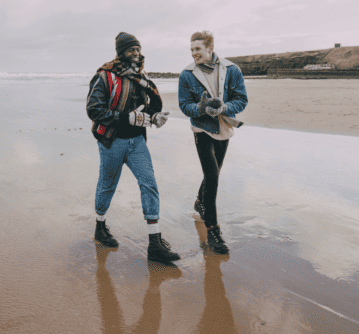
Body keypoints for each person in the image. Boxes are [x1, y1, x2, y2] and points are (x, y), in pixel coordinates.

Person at [86, 32, 180, 263]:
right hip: (112, 141)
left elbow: (143, 109)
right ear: (121, 52)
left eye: (138, 49)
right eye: (131, 50)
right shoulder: (105, 76)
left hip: (137, 142)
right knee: (107, 186)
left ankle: (155, 243)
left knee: (149, 184)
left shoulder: (141, 77)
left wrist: (155, 116)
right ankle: (100, 227)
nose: (136, 53)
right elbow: (93, 110)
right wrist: (126, 118)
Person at [178, 30, 248, 254]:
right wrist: (199, 109)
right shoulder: (186, 75)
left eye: (197, 49)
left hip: (224, 127)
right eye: (191, 50)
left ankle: (200, 202)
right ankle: (213, 231)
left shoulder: (232, 70)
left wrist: (224, 107)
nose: (194, 53)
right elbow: (184, 105)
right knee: (213, 177)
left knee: (214, 171)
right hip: (202, 129)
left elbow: (241, 99)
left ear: (210, 48)